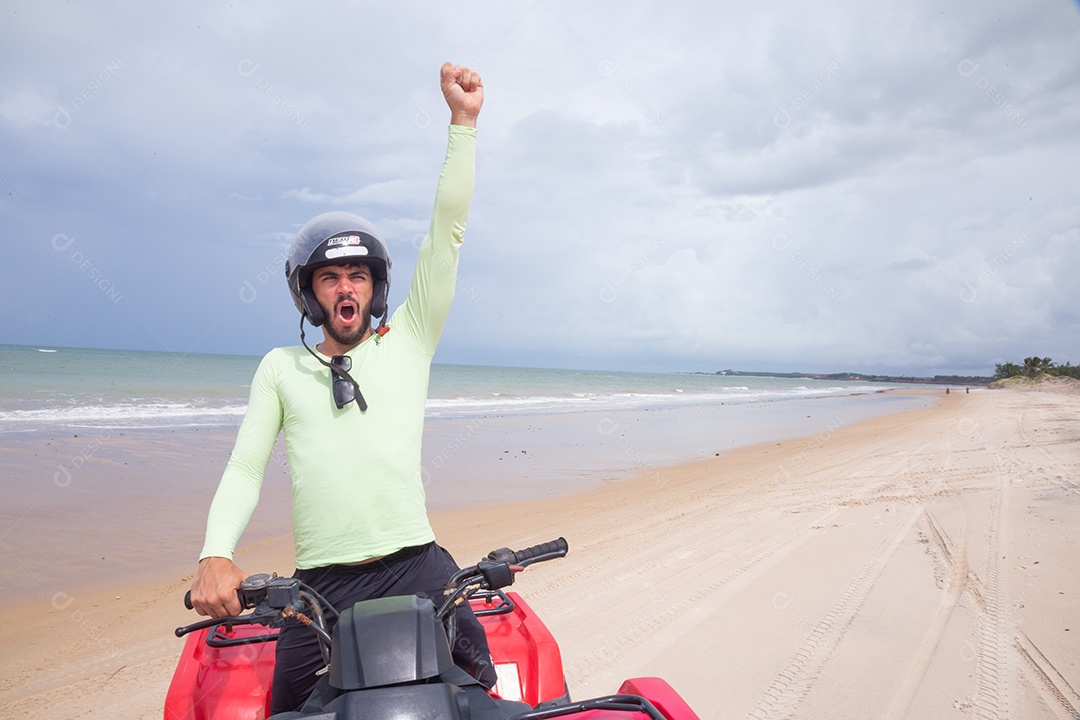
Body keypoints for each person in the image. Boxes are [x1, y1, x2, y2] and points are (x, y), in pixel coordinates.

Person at [189, 61, 494, 714]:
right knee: (289, 711)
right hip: (321, 587)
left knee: (480, 691)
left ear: (375, 287)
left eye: (358, 274)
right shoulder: (280, 367)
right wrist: (216, 554)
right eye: (330, 277)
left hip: (420, 566)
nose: (346, 286)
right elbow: (245, 468)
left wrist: (462, 125)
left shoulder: (408, 340)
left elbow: (448, 237)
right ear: (309, 292)